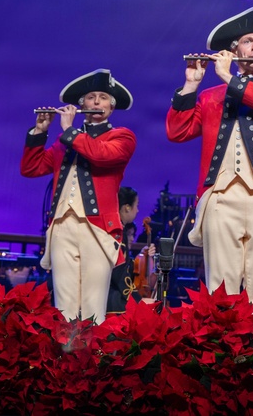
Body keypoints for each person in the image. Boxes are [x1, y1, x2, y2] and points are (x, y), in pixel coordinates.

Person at [166, 6, 253, 309]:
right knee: (220, 290)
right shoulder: (210, 95)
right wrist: (191, 86)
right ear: (234, 49)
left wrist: (228, 77)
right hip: (220, 196)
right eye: (248, 41)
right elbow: (178, 132)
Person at [21, 69, 136, 323]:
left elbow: (101, 155)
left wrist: (68, 130)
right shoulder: (63, 142)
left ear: (111, 107)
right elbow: (31, 168)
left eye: (103, 97)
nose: (96, 102)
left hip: (98, 229)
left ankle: (94, 360)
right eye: (91, 97)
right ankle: (65, 359)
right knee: (64, 306)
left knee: (94, 307)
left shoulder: (122, 137)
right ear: (81, 104)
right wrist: (39, 132)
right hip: (62, 225)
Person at [107, 186, 156, 314]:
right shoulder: (116, 233)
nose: (138, 210)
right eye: (136, 205)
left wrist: (143, 257)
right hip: (111, 298)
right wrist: (137, 300)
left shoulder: (115, 228)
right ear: (127, 207)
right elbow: (119, 272)